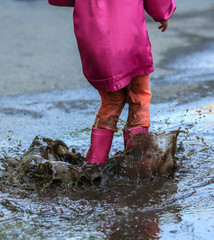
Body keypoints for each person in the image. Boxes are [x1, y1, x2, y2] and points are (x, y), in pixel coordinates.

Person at [48, 0, 176, 165]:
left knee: (110, 103)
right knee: (140, 98)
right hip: (130, 41)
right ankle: (136, 163)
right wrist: (162, 14)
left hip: (96, 44)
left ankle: (94, 164)